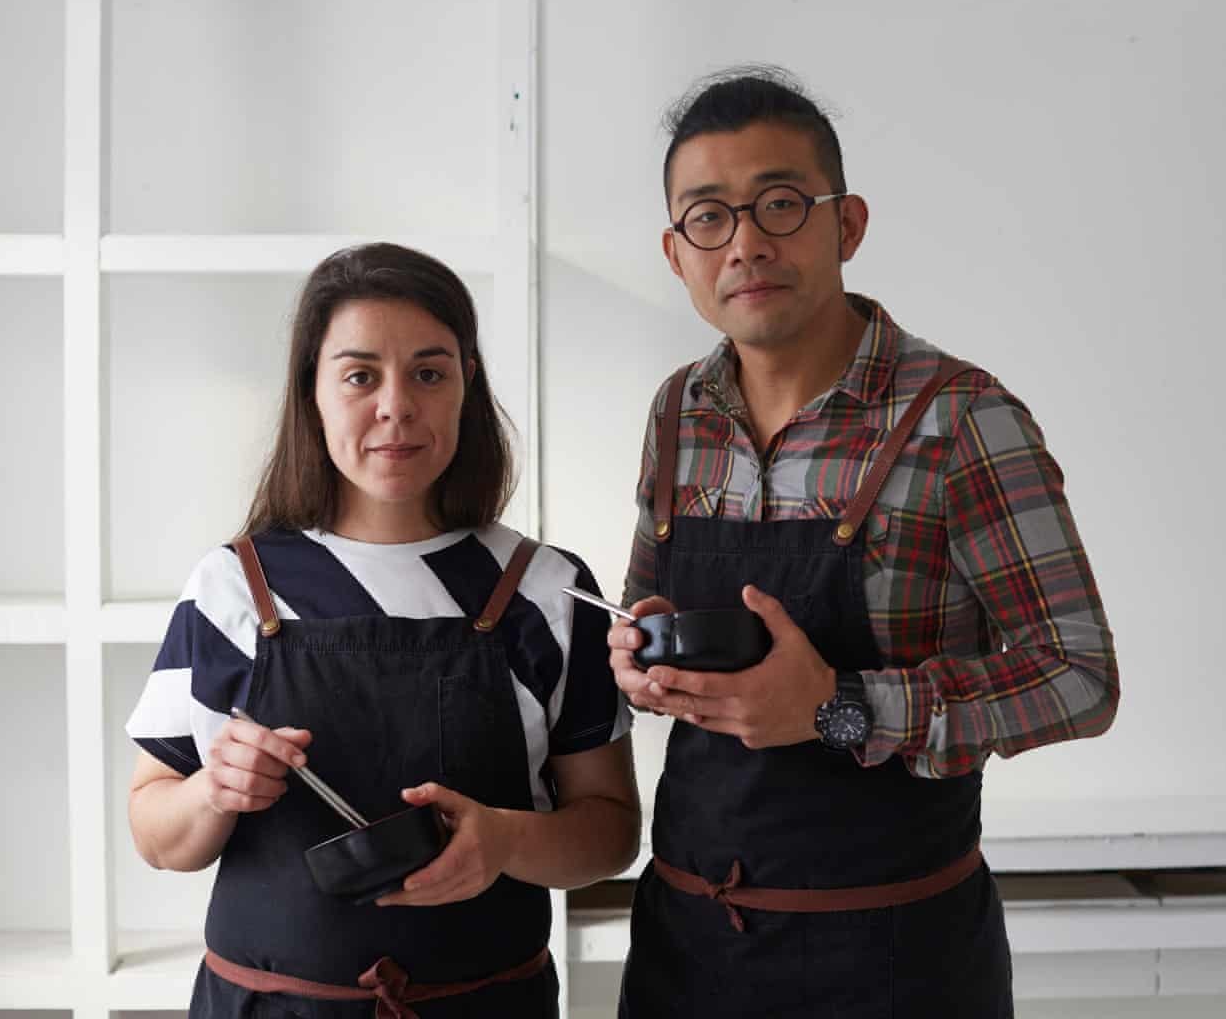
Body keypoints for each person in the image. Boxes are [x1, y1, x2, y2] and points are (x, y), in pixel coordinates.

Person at [607, 68, 1121, 1017]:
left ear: (846, 225)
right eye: (710, 218)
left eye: (781, 204)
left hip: (896, 958)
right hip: (691, 949)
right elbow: (651, 611)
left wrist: (843, 709)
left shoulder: (960, 418)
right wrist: (638, 655)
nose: (748, 243)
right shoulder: (678, 411)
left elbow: (1081, 677)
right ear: (677, 255)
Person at [124, 242, 639, 1017]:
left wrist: (504, 841)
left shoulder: (544, 589)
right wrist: (213, 794)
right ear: (314, 393)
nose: (396, 405)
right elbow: (157, 833)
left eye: (429, 372)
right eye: (360, 375)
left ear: (467, 385)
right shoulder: (233, 587)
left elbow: (610, 832)